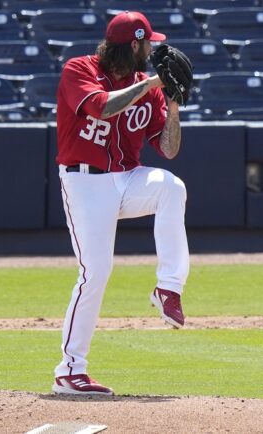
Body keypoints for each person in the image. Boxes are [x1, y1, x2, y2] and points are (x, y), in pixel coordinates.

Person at [52, 11, 189, 396]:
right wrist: (153, 83)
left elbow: (168, 149)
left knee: (171, 187)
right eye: (148, 44)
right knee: (95, 272)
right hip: (85, 180)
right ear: (134, 44)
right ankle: (69, 371)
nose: (153, 51)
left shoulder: (149, 85)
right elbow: (102, 107)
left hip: (127, 177)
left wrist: (173, 104)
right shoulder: (79, 69)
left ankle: (168, 288)